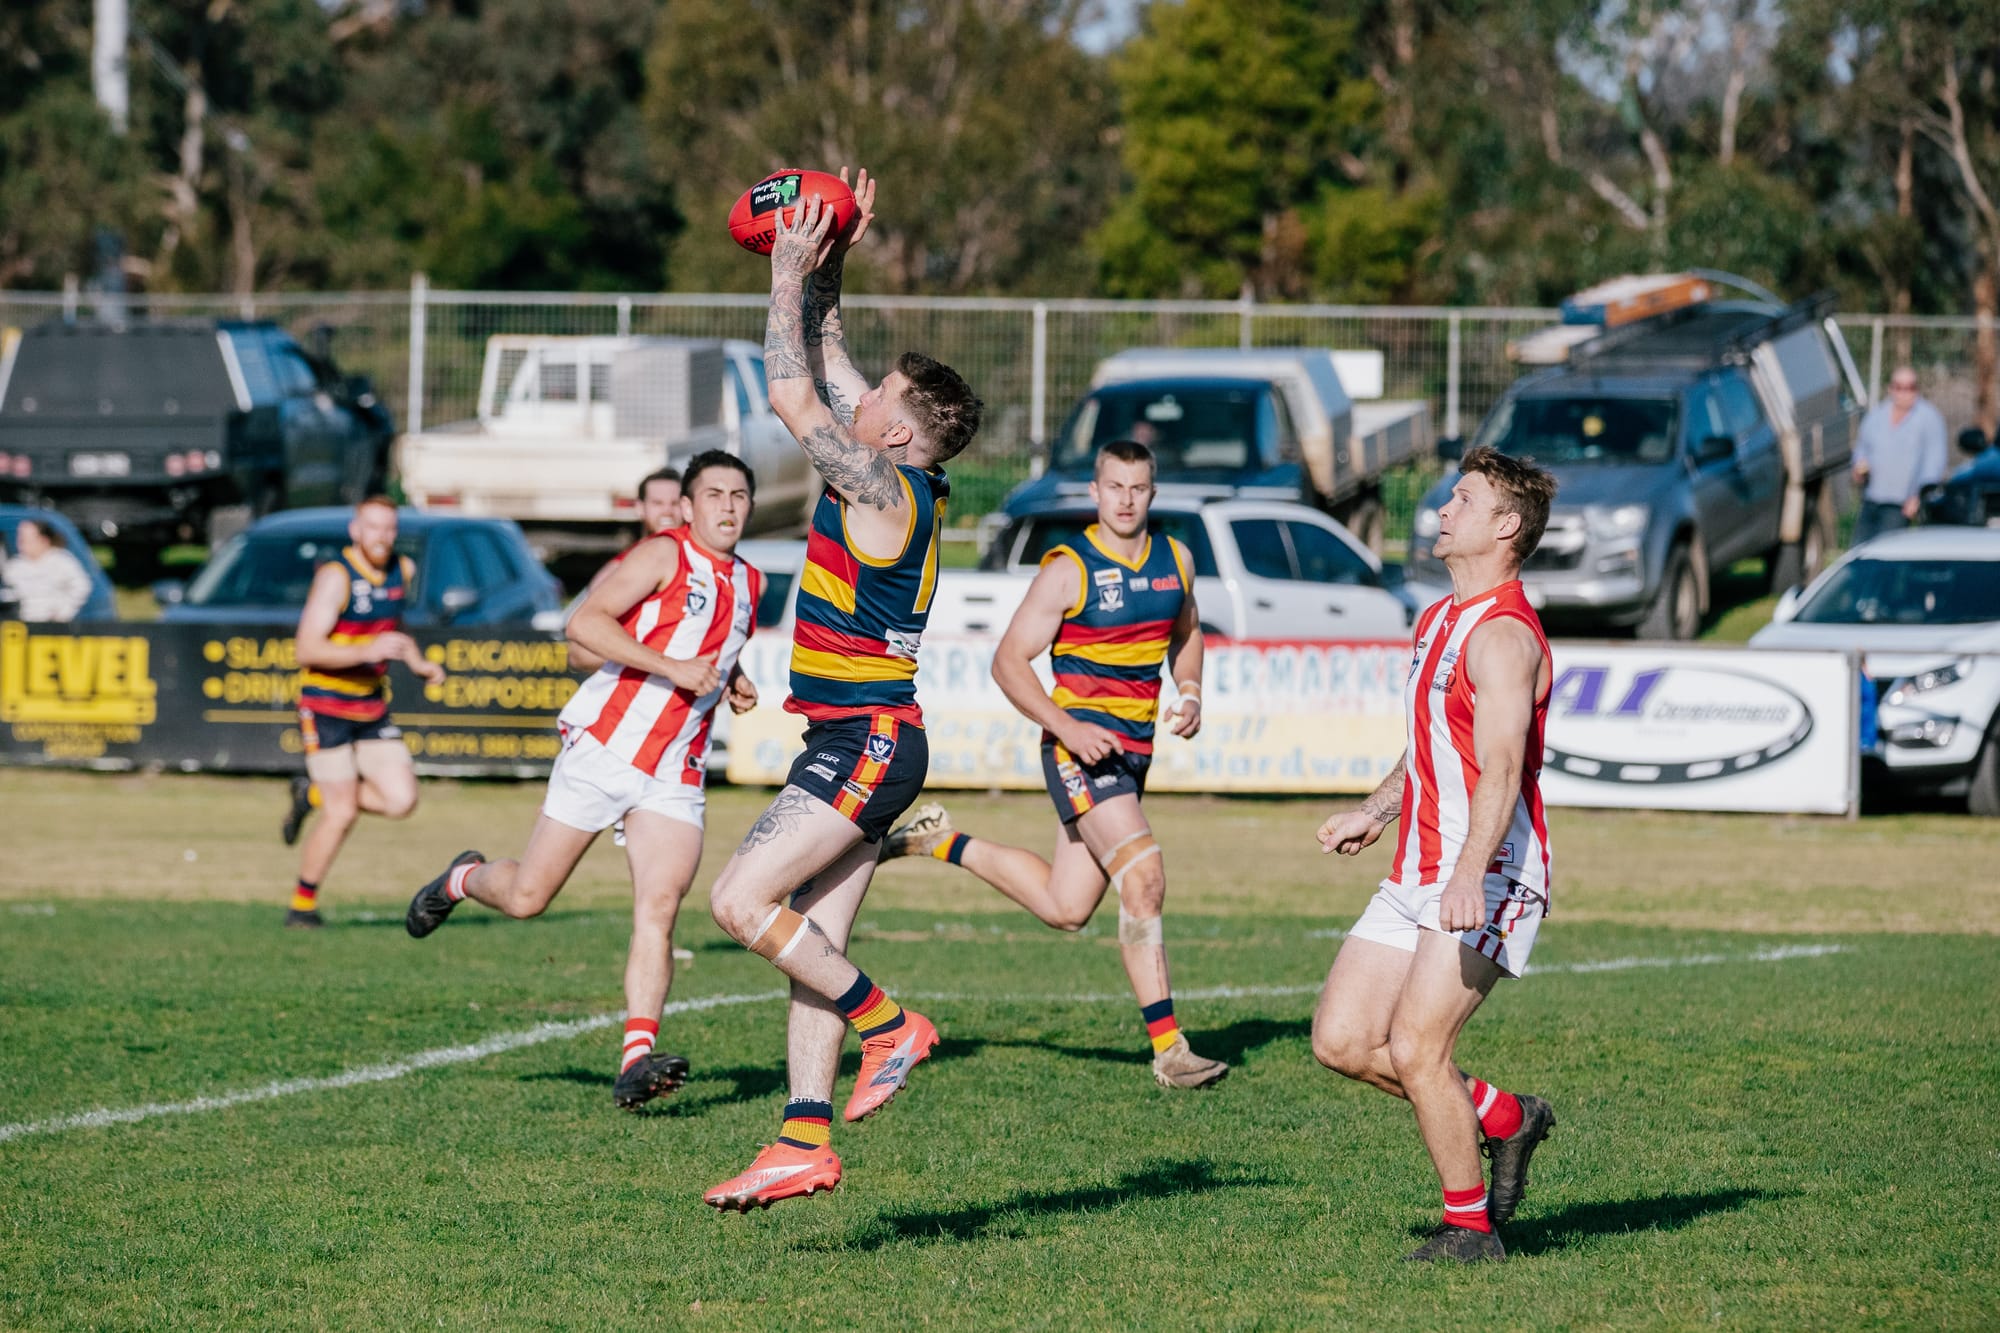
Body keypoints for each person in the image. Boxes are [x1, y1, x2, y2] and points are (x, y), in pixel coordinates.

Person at [701, 171, 983, 1212]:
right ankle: (801, 1140)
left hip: (865, 742)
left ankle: (889, 1025)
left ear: (897, 434)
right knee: (809, 944)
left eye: (875, 401)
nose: (856, 400)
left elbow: (791, 393)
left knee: (739, 902)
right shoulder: (897, 463)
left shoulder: (879, 483)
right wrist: (831, 249)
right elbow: (822, 355)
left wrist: (781, 271)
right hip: (864, 738)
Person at [403, 452, 762, 1111]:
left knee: (659, 906)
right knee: (527, 897)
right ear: (687, 507)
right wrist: (671, 667)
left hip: (673, 770)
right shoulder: (663, 554)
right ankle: (462, 878)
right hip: (606, 749)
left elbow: (712, 643)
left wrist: (735, 679)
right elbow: (584, 625)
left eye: (739, 495)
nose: (728, 506)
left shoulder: (750, 579)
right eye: (714, 494)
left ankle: (635, 1060)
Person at [880, 438, 1227, 1089]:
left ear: (1152, 494)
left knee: (1066, 907)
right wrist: (1068, 727)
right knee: (1144, 875)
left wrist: (1191, 690)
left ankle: (939, 841)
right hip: (1077, 750)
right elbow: (1008, 661)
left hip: (1134, 754)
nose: (1126, 500)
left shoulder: (1175, 560)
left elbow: (1187, 633)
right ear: (1095, 492)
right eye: (1115, 487)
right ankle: (1170, 1049)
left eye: (1138, 488)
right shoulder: (1068, 569)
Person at [1309, 445, 1559, 1265]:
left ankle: (1470, 1231)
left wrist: (1467, 872)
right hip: (1419, 866)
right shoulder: (1438, 619)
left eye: (1463, 499)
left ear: (1506, 525)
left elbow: (1503, 767)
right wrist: (1375, 811)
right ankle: (1506, 1117)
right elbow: (1427, 746)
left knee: (1419, 1048)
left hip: (1487, 871)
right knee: (1343, 1039)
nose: (1443, 509)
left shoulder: (1504, 638)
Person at [279, 497, 444, 928]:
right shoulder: (336, 577)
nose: (381, 537)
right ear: (355, 531)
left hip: (370, 705)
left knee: (402, 800)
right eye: (372, 527)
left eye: (389, 528)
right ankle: (301, 906)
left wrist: (419, 663)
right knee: (343, 812)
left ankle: (311, 794)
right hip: (325, 706)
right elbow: (306, 648)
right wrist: (365, 650)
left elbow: (395, 626)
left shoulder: (402, 569)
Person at [569, 467, 686, 677]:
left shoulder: (699, 562)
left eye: (675, 503)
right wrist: (658, 661)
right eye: (657, 503)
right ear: (640, 508)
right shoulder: (619, 568)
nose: (667, 511)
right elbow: (580, 652)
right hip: (639, 687)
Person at [1852, 366, 1947, 545]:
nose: (1904, 393)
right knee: (1859, 551)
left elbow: (1934, 462)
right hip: (1872, 499)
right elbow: (1862, 449)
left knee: (1885, 552)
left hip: (1900, 504)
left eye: (1910, 387)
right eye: (1899, 387)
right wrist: (1858, 468)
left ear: (1916, 389)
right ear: (1891, 388)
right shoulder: (1876, 416)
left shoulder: (1929, 418)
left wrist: (1918, 497)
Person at [2, 518, 92, 622]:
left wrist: (63, 613)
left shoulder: (62, 561)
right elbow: (9, 592)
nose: (20, 544)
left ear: (43, 540)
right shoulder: (14, 566)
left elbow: (82, 587)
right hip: (24, 624)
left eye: (25, 539)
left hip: (53, 625)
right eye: (20, 539)